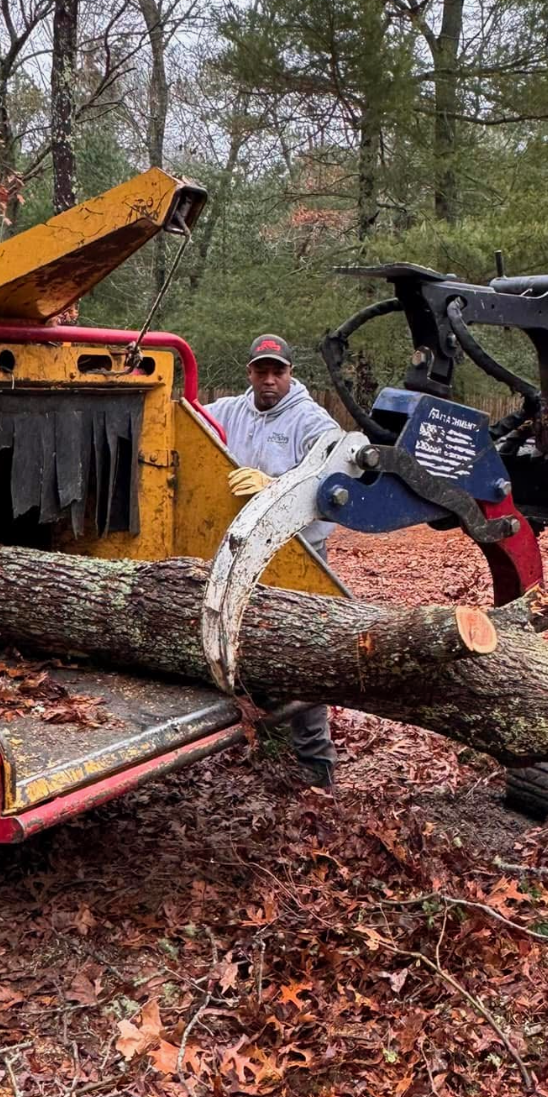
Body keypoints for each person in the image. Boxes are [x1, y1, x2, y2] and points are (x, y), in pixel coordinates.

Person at [205, 334, 341, 789]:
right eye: (261, 370)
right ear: (250, 372)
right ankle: (264, 737)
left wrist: (276, 485)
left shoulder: (310, 420)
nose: (268, 379)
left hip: (297, 549)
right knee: (248, 638)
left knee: (304, 646)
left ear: (289, 373)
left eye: (276, 371)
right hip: (243, 549)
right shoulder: (230, 410)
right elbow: (188, 419)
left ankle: (316, 761)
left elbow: (333, 476)